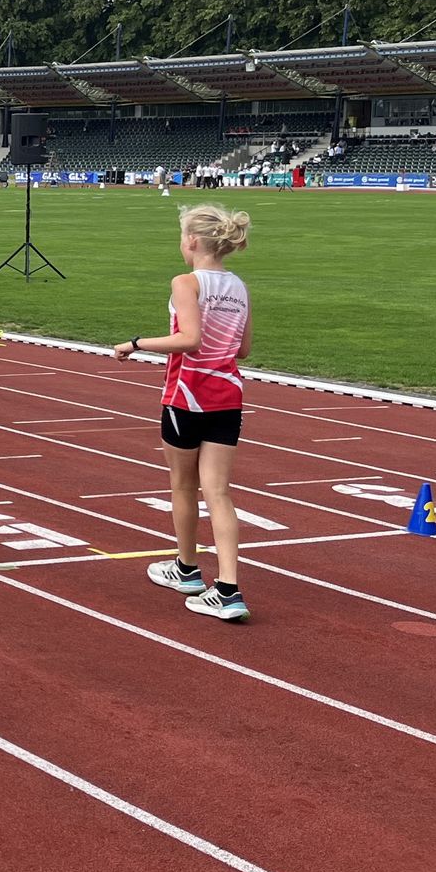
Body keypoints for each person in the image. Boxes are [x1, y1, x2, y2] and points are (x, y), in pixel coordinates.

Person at [114, 205, 254, 622]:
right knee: (219, 492)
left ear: (192, 241)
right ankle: (227, 588)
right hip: (227, 396)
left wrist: (135, 344)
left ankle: (188, 569)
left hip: (187, 395)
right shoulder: (239, 286)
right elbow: (243, 350)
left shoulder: (186, 282)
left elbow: (189, 339)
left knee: (183, 486)